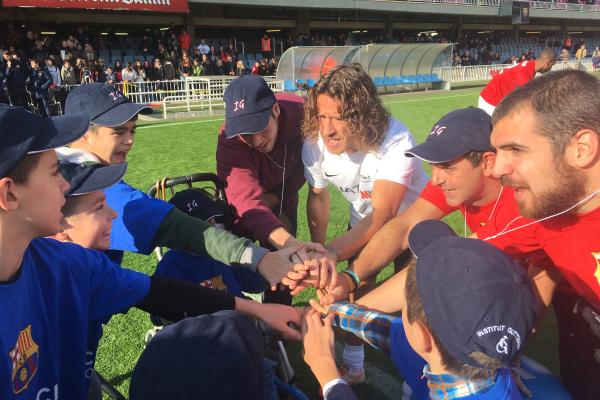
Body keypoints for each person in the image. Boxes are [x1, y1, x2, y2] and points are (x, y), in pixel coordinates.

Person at [0, 106, 302, 399]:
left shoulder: (67, 262)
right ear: (9, 193)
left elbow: (157, 293)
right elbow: (176, 237)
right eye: (54, 172)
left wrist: (261, 310)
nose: (65, 184)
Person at [63, 82, 308, 289]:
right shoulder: (90, 186)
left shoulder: (65, 168)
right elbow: (173, 226)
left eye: (132, 130)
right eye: (119, 131)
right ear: (82, 132)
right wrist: (258, 258)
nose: (129, 140)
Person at [302, 220, 537, 400]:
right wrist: (331, 312)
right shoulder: (463, 354)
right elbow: (383, 330)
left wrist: (328, 373)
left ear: (423, 336)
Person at [474, 69, 600, 399]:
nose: (498, 169)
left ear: (582, 148)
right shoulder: (547, 208)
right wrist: (349, 283)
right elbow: (458, 257)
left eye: (515, 149)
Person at [300, 63, 428, 383]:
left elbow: (385, 215)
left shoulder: (395, 139)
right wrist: (319, 251)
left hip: (411, 223)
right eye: (322, 115)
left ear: (362, 117)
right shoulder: (314, 143)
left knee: (414, 303)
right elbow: (317, 196)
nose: (327, 129)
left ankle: (417, 381)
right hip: (364, 219)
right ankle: (354, 366)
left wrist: (333, 252)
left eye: (339, 117)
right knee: (354, 289)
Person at [216, 75, 327, 305]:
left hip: (285, 194)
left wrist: (278, 198)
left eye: (260, 127)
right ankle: (239, 311)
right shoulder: (229, 139)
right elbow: (244, 201)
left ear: (275, 110)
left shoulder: (303, 115)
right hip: (245, 208)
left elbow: (306, 165)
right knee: (234, 258)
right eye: (246, 133)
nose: (256, 140)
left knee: (285, 272)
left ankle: (279, 318)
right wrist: (291, 244)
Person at [478, 48, 556, 116]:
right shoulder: (525, 74)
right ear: (548, 62)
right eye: (552, 65)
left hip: (491, 99)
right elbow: (524, 104)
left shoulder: (528, 65)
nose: (550, 68)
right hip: (490, 103)